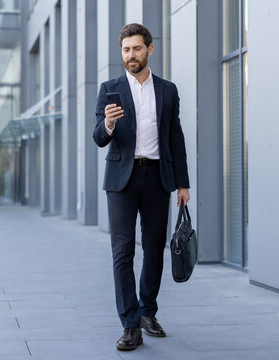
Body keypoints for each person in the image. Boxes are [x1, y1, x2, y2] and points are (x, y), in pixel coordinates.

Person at [93, 23, 190, 351]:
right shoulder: (110, 88)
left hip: (157, 178)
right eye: (125, 50)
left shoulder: (167, 90)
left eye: (135, 48)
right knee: (122, 251)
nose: (130, 55)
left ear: (150, 49)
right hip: (122, 180)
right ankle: (130, 324)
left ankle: (148, 310)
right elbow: (98, 138)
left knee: (154, 248)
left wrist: (183, 184)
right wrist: (107, 123)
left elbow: (175, 137)